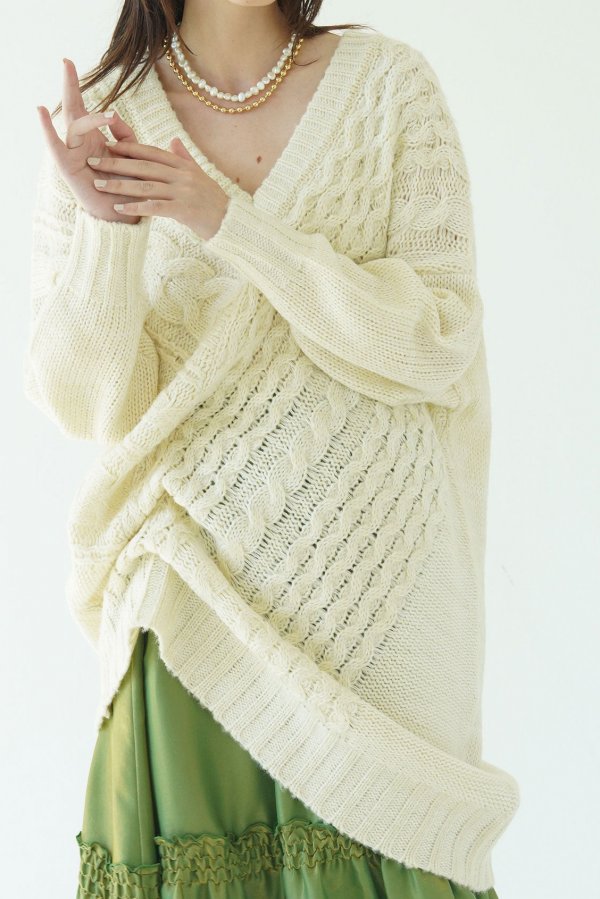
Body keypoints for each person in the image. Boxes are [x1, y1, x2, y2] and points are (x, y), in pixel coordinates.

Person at [25, 0, 520, 896]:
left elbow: (438, 340)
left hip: (375, 626)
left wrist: (230, 222)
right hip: (189, 603)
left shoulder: (391, 87)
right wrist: (106, 230)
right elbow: (90, 403)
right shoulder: (108, 116)